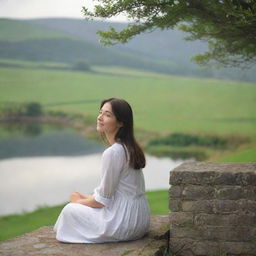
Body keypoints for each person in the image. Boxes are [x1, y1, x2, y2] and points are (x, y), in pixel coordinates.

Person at [54, 98, 150, 243]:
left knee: (69, 210)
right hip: (140, 220)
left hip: (124, 223)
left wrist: (78, 202)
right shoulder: (128, 148)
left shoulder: (113, 153)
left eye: (107, 115)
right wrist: (86, 198)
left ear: (120, 123)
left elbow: (102, 202)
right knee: (77, 206)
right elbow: (110, 193)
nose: (100, 117)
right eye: (100, 113)